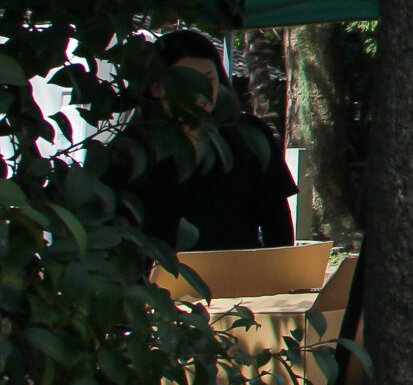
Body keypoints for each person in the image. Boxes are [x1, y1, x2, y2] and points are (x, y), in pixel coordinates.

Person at [102, 28, 297, 253]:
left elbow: (276, 219)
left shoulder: (249, 137)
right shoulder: (128, 152)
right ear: (156, 87)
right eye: (186, 82)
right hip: (159, 282)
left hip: (242, 280)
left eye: (207, 80)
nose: (200, 93)